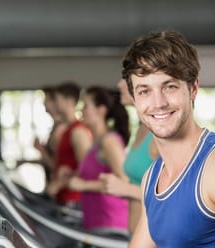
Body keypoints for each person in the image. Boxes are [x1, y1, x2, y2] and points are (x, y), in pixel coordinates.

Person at [43, 31, 215, 248]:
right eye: (145, 91)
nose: (158, 102)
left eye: (170, 86)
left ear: (192, 89)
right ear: (134, 99)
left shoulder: (212, 166)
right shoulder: (153, 177)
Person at [69, 86, 130, 234]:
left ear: (101, 110)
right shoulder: (95, 143)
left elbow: (124, 181)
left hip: (111, 223)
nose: (81, 110)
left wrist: (84, 185)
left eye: (86, 105)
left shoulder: (109, 142)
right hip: (96, 223)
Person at [100, 79, 158, 233]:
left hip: (157, 242)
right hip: (136, 237)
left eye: (126, 79)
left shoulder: (160, 133)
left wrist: (127, 189)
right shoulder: (142, 129)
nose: (119, 84)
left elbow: (179, 197)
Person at [45, 82, 92, 206]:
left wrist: (60, 183)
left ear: (69, 101)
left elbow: (87, 168)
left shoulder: (78, 131)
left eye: (57, 99)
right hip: (63, 198)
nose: (54, 104)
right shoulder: (66, 130)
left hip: (74, 199)